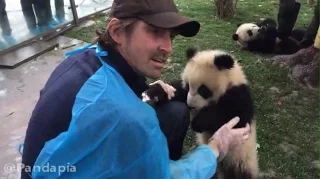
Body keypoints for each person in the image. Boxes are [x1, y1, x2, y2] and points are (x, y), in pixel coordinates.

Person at [20, 0, 251, 179]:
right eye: (155, 31)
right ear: (117, 31)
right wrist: (216, 147)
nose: (168, 47)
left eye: (170, 36)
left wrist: (141, 90)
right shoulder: (128, 117)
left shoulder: (84, 58)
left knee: (176, 112)